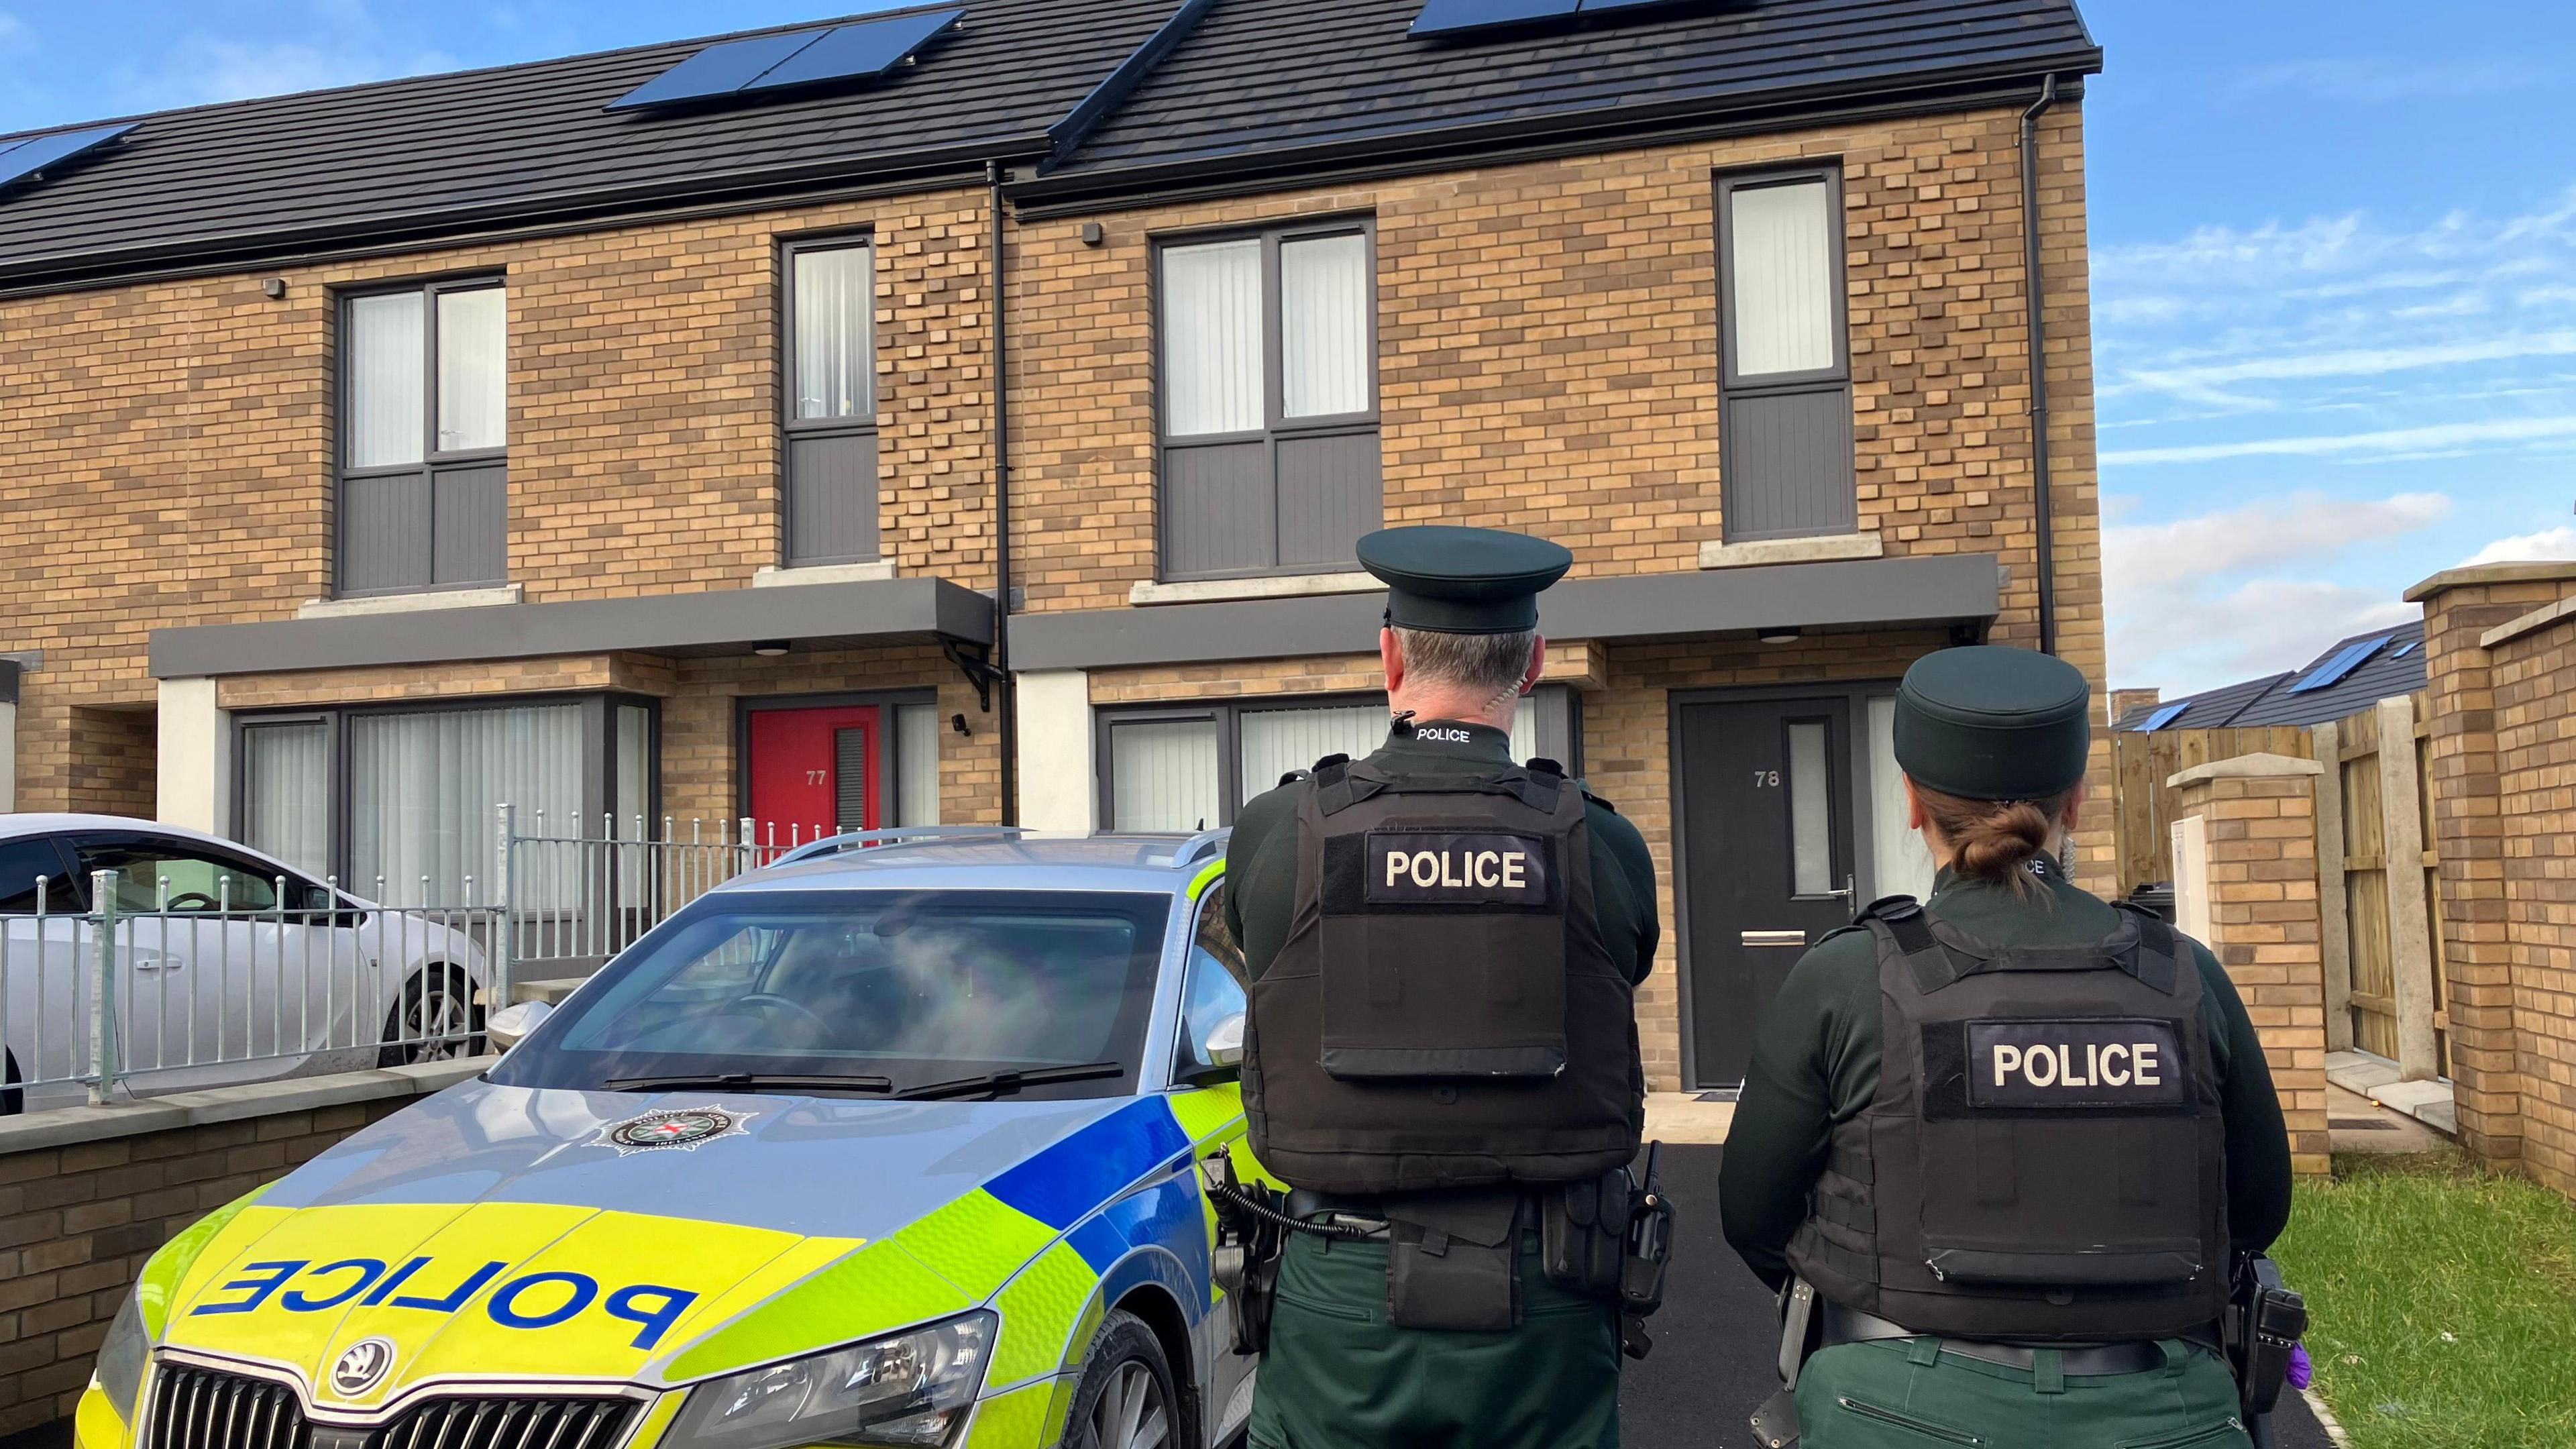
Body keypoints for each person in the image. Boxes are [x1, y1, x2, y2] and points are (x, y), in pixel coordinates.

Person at [1719, 645, 2296, 1449]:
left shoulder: (1848, 976)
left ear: (1914, 804)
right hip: (2164, 1410)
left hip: (1890, 1412)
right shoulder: (2185, 977)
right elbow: (2257, 1213)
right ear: (2079, 803)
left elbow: (1751, 1212)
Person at [1220, 525, 1664, 1449]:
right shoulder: (1601, 841)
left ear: (1390, 656)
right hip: (1548, 1298)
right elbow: (1622, 967)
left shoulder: (1280, 833)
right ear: (1532, 662)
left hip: (1340, 1292)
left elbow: (1269, 965)